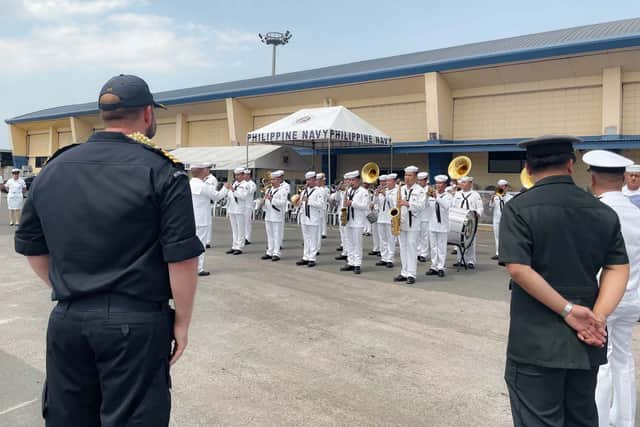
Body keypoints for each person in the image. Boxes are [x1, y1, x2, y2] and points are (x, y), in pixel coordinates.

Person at [14, 74, 202, 426]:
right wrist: (183, 322)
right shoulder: (163, 170)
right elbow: (182, 257)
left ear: (104, 114)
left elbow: (32, 248)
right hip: (135, 323)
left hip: (68, 319)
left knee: (68, 418)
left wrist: (71, 286)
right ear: (147, 113)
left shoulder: (53, 168)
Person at [500, 135, 630, 427]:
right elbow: (617, 268)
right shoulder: (602, 211)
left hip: (536, 340)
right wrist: (597, 317)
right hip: (586, 341)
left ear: (528, 168)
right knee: (581, 418)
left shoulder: (519, 208)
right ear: (571, 165)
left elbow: (519, 269)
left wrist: (568, 311)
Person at [583, 150, 640, 427]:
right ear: (623, 178)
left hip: (602, 299)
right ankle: (625, 420)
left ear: (593, 178)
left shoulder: (594, 212)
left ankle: (601, 421)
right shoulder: (636, 211)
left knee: (601, 363)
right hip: (632, 297)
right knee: (623, 358)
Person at [190, 163, 226, 276]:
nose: (208, 170)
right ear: (202, 171)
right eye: (207, 169)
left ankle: (191, 267)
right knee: (200, 244)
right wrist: (226, 188)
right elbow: (217, 196)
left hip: (192, 218)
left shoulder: (190, 183)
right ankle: (198, 268)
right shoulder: (202, 185)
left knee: (192, 245)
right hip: (201, 219)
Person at [393, 166, 426, 285]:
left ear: (415, 177)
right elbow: (395, 204)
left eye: (410, 175)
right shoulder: (400, 189)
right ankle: (404, 272)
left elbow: (422, 206)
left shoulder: (420, 190)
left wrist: (407, 203)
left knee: (412, 248)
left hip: (413, 223)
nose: (407, 178)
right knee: (403, 248)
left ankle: (411, 273)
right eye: (406, 175)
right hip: (402, 222)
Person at [340, 170, 369, 274]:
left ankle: (357, 264)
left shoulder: (363, 191)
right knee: (349, 242)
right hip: (349, 220)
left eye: (353, 180)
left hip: (358, 221)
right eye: (350, 180)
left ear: (358, 180)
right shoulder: (349, 191)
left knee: (357, 244)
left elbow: (365, 206)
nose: (351, 182)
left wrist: (352, 203)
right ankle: (350, 262)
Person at [452, 176, 483, 268]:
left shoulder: (475, 195)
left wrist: (478, 213)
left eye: (465, 182)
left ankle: (470, 261)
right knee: (459, 240)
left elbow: (480, 207)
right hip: (459, 220)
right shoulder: (457, 194)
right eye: (462, 182)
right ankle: (460, 260)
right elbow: (453, 206)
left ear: (470, 183)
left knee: (470, 241)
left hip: (470, 221)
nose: (462, 184)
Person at [426, 175, 453, 278]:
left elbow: (447, 206)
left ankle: (441, 267)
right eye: (437, 183)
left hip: (443, 225)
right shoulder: (431, 195)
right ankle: (433, 266)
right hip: (432, 224)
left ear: (445, 185)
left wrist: (436, 197)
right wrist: (426, 197)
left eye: (440, 183)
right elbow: (425, 207)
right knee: (433, 247)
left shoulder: (448, 196)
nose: (438, 185)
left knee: (441, 248)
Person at [297, 171, 323, 267]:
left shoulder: (318, 191)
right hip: (304, 217)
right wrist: (298, 203)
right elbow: (301, 203)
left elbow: (320, 204)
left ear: (314, 180)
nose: (307, 182)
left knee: (313, 239)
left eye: (310, 180)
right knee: (306, 238)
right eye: (307, 179)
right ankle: (305, 257)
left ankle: (312, 258)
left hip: (313, 217)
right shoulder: (304, 191)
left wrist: (309, 201)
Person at [261, 170, 288, 262]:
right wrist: (262, 202)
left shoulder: (282, 191)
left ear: (278, 180)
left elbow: (282, 203)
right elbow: (265, 202)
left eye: (274, 179)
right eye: (271, 179)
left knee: (277, 234)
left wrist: (272, 199)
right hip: (268, 215)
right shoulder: (268, 189)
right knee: (270, 234)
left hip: (277, 215)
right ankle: (270, 251)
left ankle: (276, 253)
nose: (272, 181)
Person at [225, 168, 250, 255]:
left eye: (238, 175)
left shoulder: (246, 185)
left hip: (240, 209)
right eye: (235, 175)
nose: (236, 176)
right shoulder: (235, 183)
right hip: (232, 208)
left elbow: (243, 196)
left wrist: (233, 190)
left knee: (240, 229)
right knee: (234, 229)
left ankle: (240, 247)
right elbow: (230, 195)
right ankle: (234, 245)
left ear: (243, 175)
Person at [488, 179, 513, 261]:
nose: (502, 188)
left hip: (507, 219)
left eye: (504, 186)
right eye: (500, 187)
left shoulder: (510, 197)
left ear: (506, 187)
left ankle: (507, 253)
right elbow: (490, 207)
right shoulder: (495, 197)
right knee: (497, 237)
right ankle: (498, 253)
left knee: (507, 236)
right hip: (497, 219)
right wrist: (491, 199)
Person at [374, 175, 393, 268]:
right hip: (381, 218)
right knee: (382, 239)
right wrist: (376, 194)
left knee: (390, 239)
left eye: (384, 181)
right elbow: (375, 204)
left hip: (390, 218)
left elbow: (393, 203)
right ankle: (384, 257)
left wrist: (385, 194)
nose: (382, 183)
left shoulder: (393, 191)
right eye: (381, 182)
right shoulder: (379, 192)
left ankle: (390, 259)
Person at [416, 171, 432, 263]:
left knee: (424, 237)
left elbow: (427, 204)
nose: (419, 182)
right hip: (417, 216)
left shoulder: (429, 189)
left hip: (426, 216)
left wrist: (426, 196)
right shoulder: (416, 189)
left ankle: (424, 254)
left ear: (426, 180)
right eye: (419, 180)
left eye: (421, 180)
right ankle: (418, 252)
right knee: (417, 236)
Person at [333, 176, 350, 260]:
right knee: (343, 234)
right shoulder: (341, 192)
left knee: (347, 235)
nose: (344, 183)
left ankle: (348, 253)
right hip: (341, 213)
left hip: (348, 214)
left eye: (346, 181)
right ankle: (345, 251)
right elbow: (336, 199)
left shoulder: (350, 191)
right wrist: (338, 190)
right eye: (343, 182)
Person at [315, 172, 329, 254]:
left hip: (321, 209)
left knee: (319, 227)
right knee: (314, 231)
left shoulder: (324, 189)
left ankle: (317, 247)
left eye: (318, 180)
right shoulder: (314, 189)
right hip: (313, 212)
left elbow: (325, 198)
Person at [203, 170, 218, 248]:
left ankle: (207, 241)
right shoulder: (203, 178)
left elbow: (212, 192)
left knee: (208, 222)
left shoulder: (212, 179)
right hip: (202, 202)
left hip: (208, 202)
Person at [243, 169, 257, 245]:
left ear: (249, 175)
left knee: (247, 222)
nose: (244, 176)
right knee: (242, 222)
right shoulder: (242, 183)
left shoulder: (252, 184)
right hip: (241, 205)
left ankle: (247, 238)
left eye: (246, 175)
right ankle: (242, 237)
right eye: (244, 174)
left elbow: (249, 192)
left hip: (248, 205)